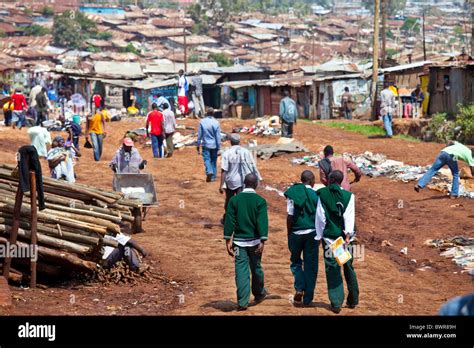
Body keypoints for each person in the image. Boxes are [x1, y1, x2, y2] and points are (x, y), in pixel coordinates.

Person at [315, 170, 359, 313]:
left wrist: (319, 236)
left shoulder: (322, 193)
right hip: (344, 240)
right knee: (348, 267)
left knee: (332, 268)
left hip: (330, 239)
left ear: (330, 179)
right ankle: (353, 299)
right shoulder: (348, 196)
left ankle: (336, 302)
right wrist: (348, 235)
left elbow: (320, 218)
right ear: (341, 180)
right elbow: (349, 217)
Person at [224, 173, 268, 311]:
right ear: (256, 184)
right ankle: (259, 293)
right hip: (255, 242)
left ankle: (243, 302)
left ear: (244, 183)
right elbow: (262, 222)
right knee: (256, 268)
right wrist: (262, 241)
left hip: (238, 243)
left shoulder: (234, 201)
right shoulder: (260, 201)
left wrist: (227, 239)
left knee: (240, 270)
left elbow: (229, 220)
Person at [284, 170, 319, 307]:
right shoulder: (316, 195)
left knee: (295, 261)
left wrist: (289, 233)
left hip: (296, 232)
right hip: (312, 233)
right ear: (311, 180)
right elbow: (320, 217)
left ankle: (299, 287)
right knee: (311, 265)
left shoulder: (293, 193)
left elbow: (290, 216)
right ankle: (308, 298)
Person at [219, 134, 261, 224]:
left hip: (229, 180)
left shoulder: (227, 153)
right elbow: (252, 165)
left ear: (230, 142)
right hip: (242, 181)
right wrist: (257, 178)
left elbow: (224, 170)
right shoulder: (245, 152)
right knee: (240, 200)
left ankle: (228, 218)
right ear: (239, 142)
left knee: (229, 200)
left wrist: (221, 185)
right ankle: (239, 219)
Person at [197, 108, 221, 182]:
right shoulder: (216, 122)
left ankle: (209, 171)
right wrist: (219, 147)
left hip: (206, 144)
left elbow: (199, 135)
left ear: (206, 113)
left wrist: (198, 145)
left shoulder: (202, 122)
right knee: (214, 160)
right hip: (214, 145)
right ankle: (213, 177)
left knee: (207, 159)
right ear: (213, 113)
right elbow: (218, 136)